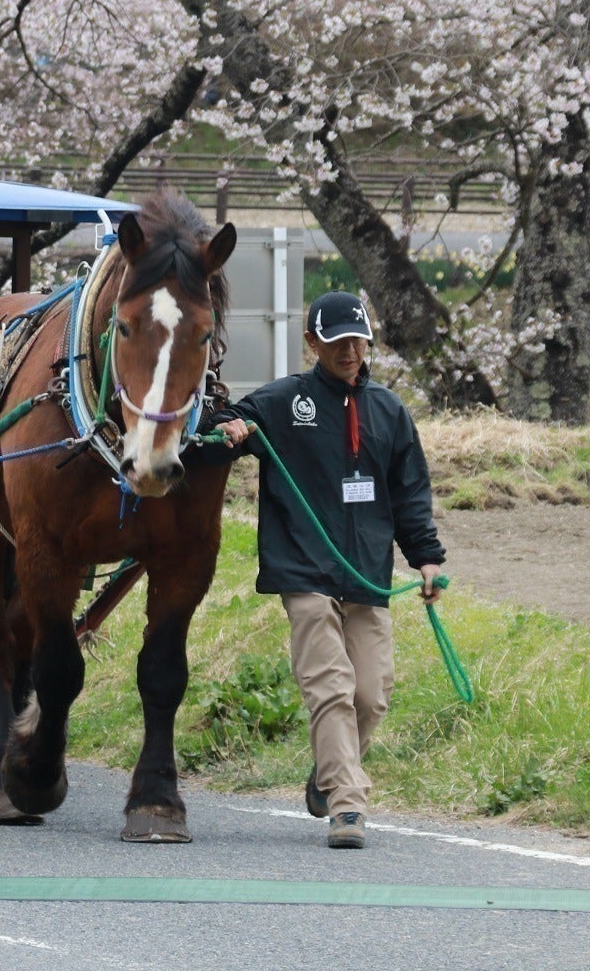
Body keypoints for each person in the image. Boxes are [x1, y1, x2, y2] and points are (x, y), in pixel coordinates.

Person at [207, 291, 445, 850]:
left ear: (369, 341)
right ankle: (347, 806)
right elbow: (228, 425)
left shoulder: (389, 410)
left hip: (367, 575)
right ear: (312, 343)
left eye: (357, 340)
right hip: (305, 571)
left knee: (371, 695)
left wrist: (427, 558)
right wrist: (232, 430)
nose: (349, 351)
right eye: (336, 342)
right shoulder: (286, 401)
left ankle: (329, 772)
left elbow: (410, 492)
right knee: (332, 688)